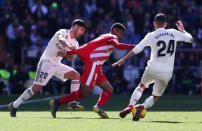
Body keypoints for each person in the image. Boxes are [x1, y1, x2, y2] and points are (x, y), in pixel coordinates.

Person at [112, 13, 193, 121]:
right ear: (165, 24)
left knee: (141, 86)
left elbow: (138, 48)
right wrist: (183, 30)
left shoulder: (151, 35)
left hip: (152, 68)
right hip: (167, 72)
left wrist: (123, 59)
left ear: (154, 23)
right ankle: (143, 106)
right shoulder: (173, 32)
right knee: (155, 96)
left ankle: (130, 106)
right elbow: (190, 39)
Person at [50, 23, 135, 118]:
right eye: (120, 33)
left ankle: (98, 106)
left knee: (109, 89)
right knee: (84, 92)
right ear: (115, 30)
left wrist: (68, 52)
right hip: (93, 65)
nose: (121, 36)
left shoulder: (104, 37)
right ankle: (57, 102)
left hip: (96, 67)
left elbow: (86, 47)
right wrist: (134, 46)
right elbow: (118, 46)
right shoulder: (112, 36)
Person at [8, 19, 87, 117]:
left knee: (76, 75)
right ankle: (14, 105)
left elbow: (70, 59)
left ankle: (72, 102)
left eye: (83, 31)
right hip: (46, 62)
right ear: (75, 27)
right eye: (81, 30)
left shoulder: (76, 43)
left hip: (57, 64)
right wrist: (70, 47)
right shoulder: (63, 32)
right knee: (36, 88)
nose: (82, 33)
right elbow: (60, 39)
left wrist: (72, 53)